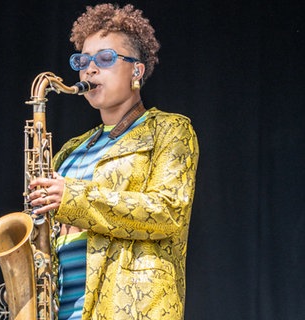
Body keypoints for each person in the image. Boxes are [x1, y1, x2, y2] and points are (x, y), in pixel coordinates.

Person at [28, 3, 199, 319]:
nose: (89, 69)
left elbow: (167, 212)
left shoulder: (170, 130)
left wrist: (73, 197)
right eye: (82, 60)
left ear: (137, 70)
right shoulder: (69, 150)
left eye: (105, 59)